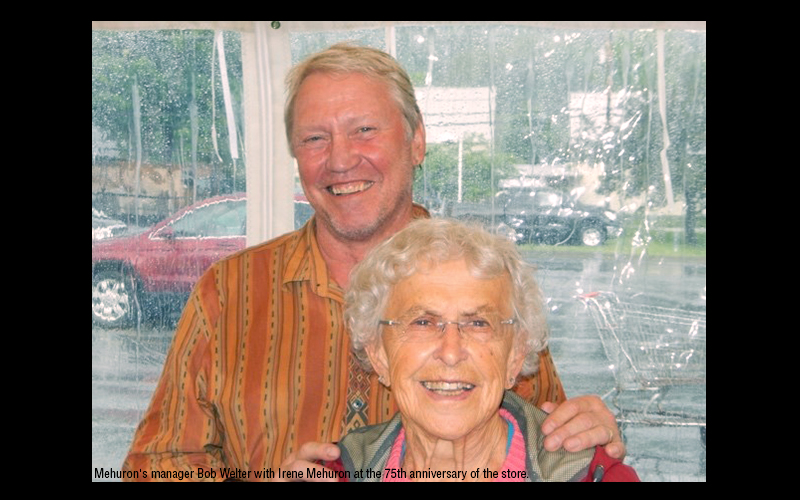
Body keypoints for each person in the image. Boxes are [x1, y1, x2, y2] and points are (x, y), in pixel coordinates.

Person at [122, 42, 623, 481]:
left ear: (417, 141)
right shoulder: (230, 291)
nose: (339, 160)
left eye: (364, 130)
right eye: (315, 138)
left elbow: (548, 442)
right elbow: (155, 464)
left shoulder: (488, 288)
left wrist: (583, 428)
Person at [314, 218, 638, 482]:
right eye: (423, 323)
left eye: (479, 324)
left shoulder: (593, 476)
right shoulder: (334, 473)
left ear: (515, 355)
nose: (451, 352)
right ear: (378, 354)